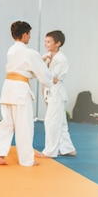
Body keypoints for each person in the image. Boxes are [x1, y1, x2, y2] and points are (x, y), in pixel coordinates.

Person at [0, 21, 54, 166]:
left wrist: (39, 62)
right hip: (20, 91)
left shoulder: (11, 50)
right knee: (24, 126)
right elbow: (42, 74)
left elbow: (26, 66)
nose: (29, 37)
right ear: (24, 35)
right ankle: (26, 160)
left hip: (7, 89)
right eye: (29, 34)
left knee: (7, 122)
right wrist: (50, 79)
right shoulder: (30, 53)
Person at [37, 30, 77, 158]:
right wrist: (43, 61)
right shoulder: (49, 56)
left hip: (56, 93)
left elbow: (53, 78)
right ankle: (68, 148)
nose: (46, 44)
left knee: (51, 122)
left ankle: (50, 151)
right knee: (61, 122)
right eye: (45, 41)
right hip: (50, 93)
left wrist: (42, 64)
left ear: (58, 43)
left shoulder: (61, 59)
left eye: (49, 42)